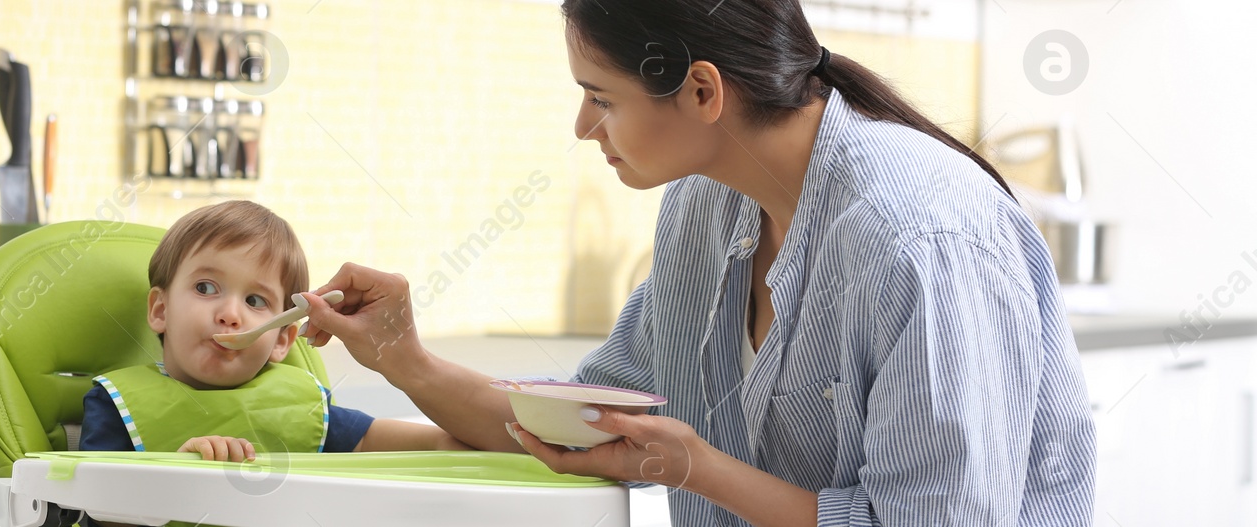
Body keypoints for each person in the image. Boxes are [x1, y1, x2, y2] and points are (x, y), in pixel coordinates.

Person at [292, 1, 1096, 525]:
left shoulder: (917, 236)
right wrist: (403, 357)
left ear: (703, 91)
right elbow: (582, 430)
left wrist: (698, 467)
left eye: (601, 97)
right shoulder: (701, 208)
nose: (582, 126)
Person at [78, 200, 469, 461]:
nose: (230, 314)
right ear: (161, 310)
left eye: (255, 302)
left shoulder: (304, 408)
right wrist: (176, 479)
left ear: (282, 339)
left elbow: (440, 446)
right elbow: (96, 510)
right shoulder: (117, 404)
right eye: (205, 288)